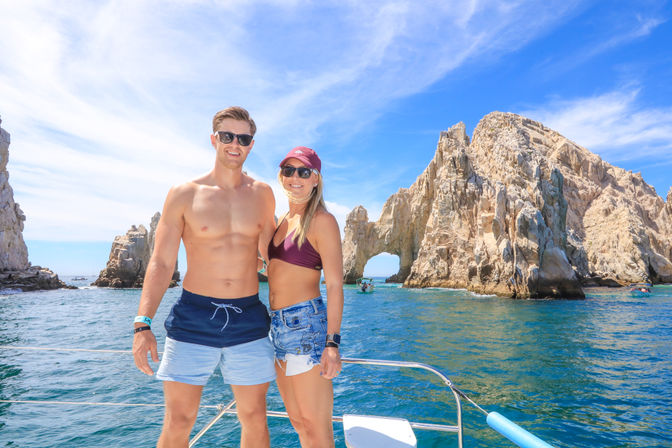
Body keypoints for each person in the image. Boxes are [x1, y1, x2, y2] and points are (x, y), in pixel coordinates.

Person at [132, 106, 276, 448]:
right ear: (214, 139)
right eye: (227, 136)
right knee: (179, 420)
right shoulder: (184, 193)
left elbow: (272, 261)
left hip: (249, 317)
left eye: (243, 138)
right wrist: (142, 323)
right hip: (193, 316)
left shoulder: (263, 194)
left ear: (251, 145)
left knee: (254, 418)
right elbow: (162, 262)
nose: (235, 144)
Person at [266, 146, 344, 447]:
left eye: (304, 171)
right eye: (289, 170)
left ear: (316, 179)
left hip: (306, 328)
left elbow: (335, 285)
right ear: (281, 176)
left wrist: (332, 344)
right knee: (298, 423)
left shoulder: (322, 221)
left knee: (317, 428)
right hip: (277, 328)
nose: (295, 177)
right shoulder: (282, 222)